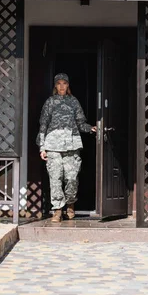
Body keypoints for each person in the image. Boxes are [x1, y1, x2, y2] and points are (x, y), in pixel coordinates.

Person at [37, 73, 96, 222]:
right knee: (55, 179)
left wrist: (91, 129)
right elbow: (43, 125)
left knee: (71, 178)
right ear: (55, 86)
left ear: (68, 85)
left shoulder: (74, 102)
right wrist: (42, 147)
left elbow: (81, 122)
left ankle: (70, 204)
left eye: (64, 83)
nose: (62, 86)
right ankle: (57, 210)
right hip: (53, 146)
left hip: (71, 145)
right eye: (59, 83)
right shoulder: (50, 102)